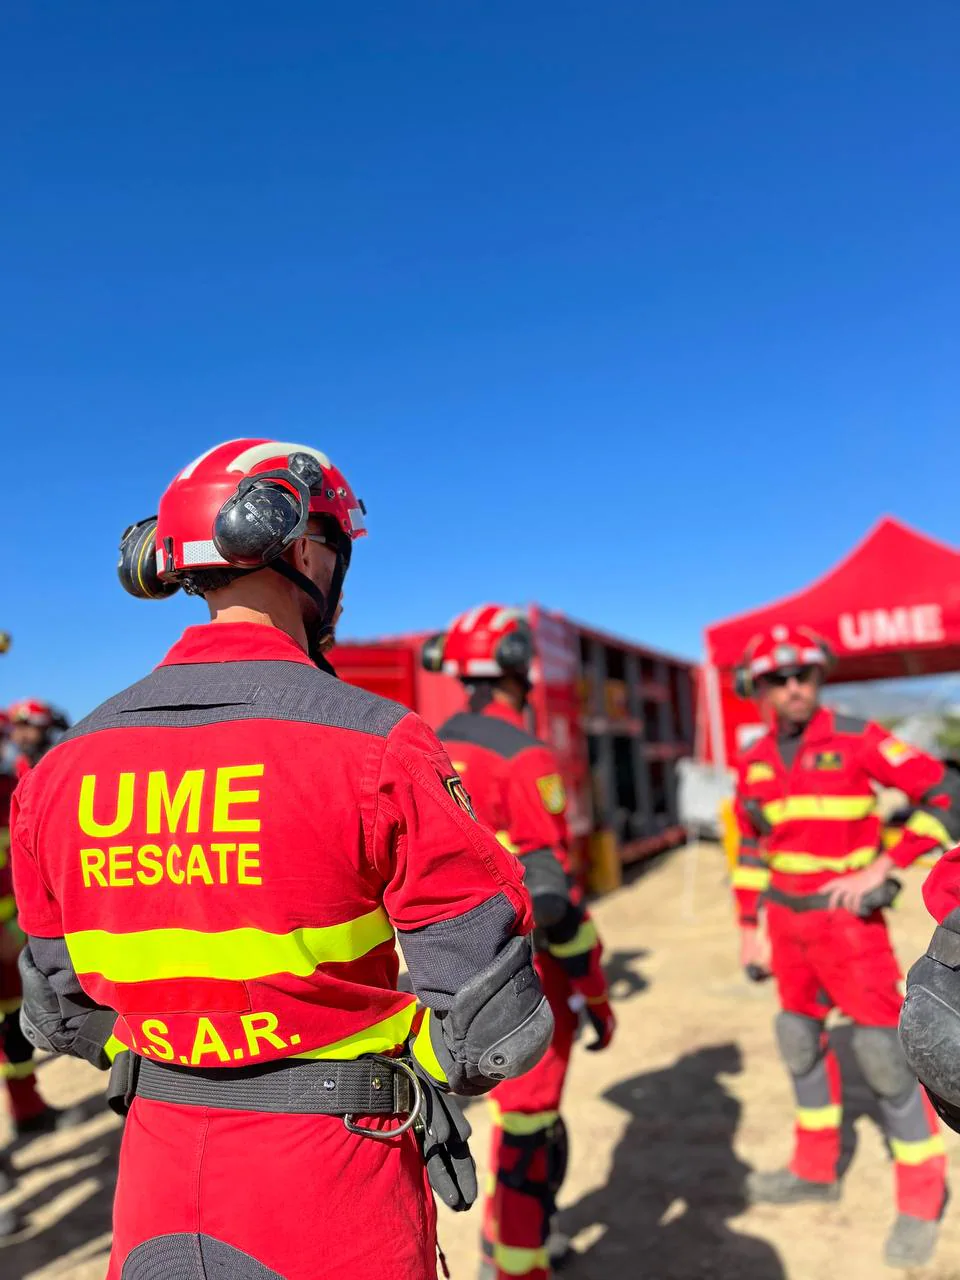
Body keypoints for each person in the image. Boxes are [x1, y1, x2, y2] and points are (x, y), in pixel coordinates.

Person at [9, 439, 554, 1280]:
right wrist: (407, 1069)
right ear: (304, 548)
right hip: (334, 1181)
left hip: (154, 1179)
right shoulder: (375, 743)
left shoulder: (61, 768)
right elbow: (493, 1025)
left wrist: (174, 1055)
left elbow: (56, 1009)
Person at [731, 624, 960, 1269]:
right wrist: (749, 926)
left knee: (889, 1059)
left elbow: (944, 793)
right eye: (779, 678)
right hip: (787, 928)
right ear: (759, 689)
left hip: (850, 930)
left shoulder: (858, 737)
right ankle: (814, 1169)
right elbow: (751, 847)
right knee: (799, 1044)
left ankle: (920, 1202)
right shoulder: (751, 762)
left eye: (805, 673)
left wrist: (885, 865)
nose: (795, 687)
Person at [424, 604, 616, 1280]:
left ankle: (503, 1248)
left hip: (444, 973)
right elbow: (554, 900)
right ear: (515, 661)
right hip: (524, 979)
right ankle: (517, 1268)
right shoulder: (522, 754)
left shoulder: (424, 745)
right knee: (530, 1129)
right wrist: (594, 987)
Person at [1, 700, 82, 1153]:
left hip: (12, 933)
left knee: (15, 1027)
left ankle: (29, 1113)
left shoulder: (20, 780)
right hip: (10, 932)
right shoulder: (23, 778)